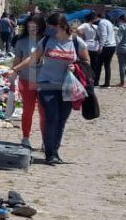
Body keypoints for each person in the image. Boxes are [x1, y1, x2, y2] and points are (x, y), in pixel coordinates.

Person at [30, 11, 90, 165]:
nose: (49, 29)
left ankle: (55, 150)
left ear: (62, 26)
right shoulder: (46, 41)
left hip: (68, 87)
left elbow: (87, 62)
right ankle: (49, 153)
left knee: (61, 120)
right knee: (51, 118)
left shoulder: (77, 42)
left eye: (52, 27)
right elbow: (34, 58)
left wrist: (75, 67)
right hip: (47, 84)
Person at [9, 13, 46, 149]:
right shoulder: (21, 41)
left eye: (35, 27)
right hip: (26, 79)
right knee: (27, 110)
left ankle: (45, 139)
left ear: (41, 27)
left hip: (44, 81)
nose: (32, 30)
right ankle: (25, 137)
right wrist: (14, 73)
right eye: (30, 27)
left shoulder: (46, 40)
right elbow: (17, 60)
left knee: (44, 112)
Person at [96, 12, 117, 87]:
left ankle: (96, 82)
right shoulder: (109, 22)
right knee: (107, 65)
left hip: (106, 46)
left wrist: (100, 46)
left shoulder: (101, 23)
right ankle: (107, 83)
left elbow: (104, 35)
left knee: (98, 65)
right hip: (112, 45)